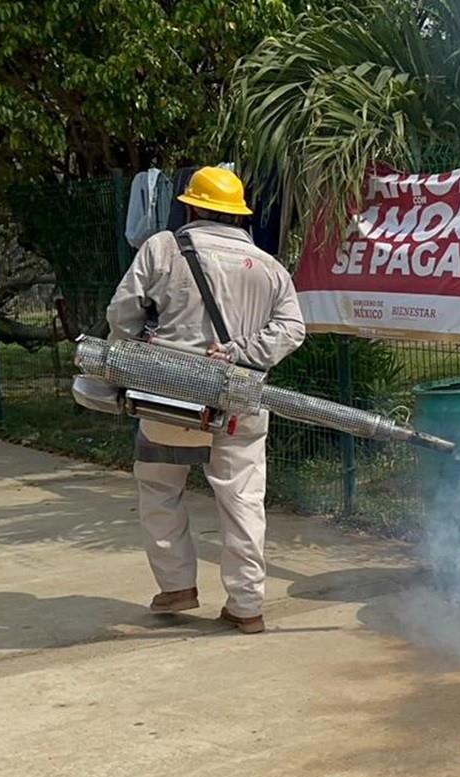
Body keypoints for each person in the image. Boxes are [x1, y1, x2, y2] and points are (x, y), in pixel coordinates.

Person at [106, 167, 306, 634]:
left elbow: (121, 313)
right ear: (237, 214)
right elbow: (293, 329)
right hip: (241, 398)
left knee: (159, 486)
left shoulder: (162, 248)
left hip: (167, 397)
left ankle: (177, 585)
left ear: (191, 206)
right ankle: (247, 605)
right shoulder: (268, 266)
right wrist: (243, 353)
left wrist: (131, 355)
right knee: (242, 500)